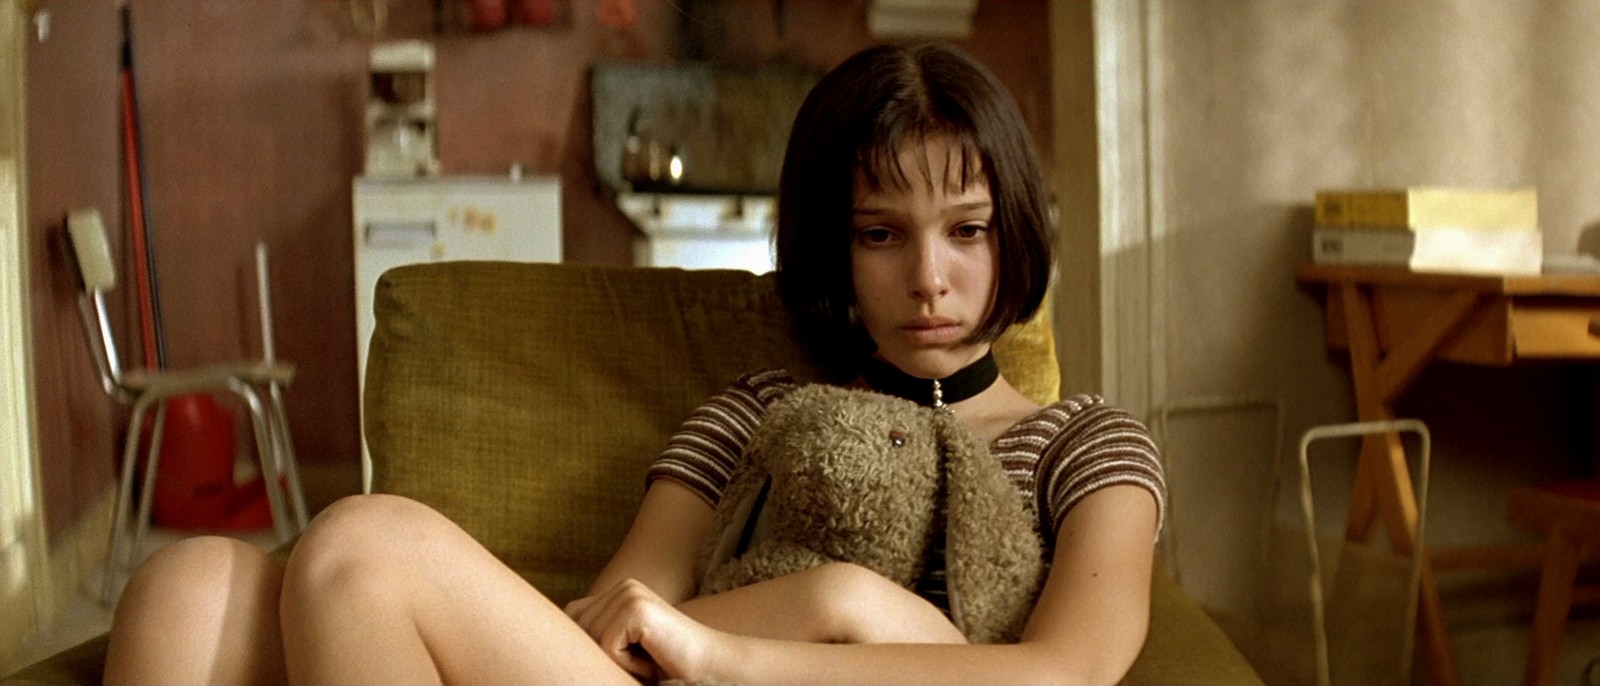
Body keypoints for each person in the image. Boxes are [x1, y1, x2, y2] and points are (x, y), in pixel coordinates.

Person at [103, 41, 1164, 685]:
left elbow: (1065, 671)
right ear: (834, 249)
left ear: (1013, 232)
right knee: (185, 587)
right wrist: (804, 611)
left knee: (362, 540)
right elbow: (617, 626)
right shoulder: (763, 409)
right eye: (881, 234)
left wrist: (825, 615)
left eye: (966, 231)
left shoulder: (1084, 442)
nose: (929, 278)